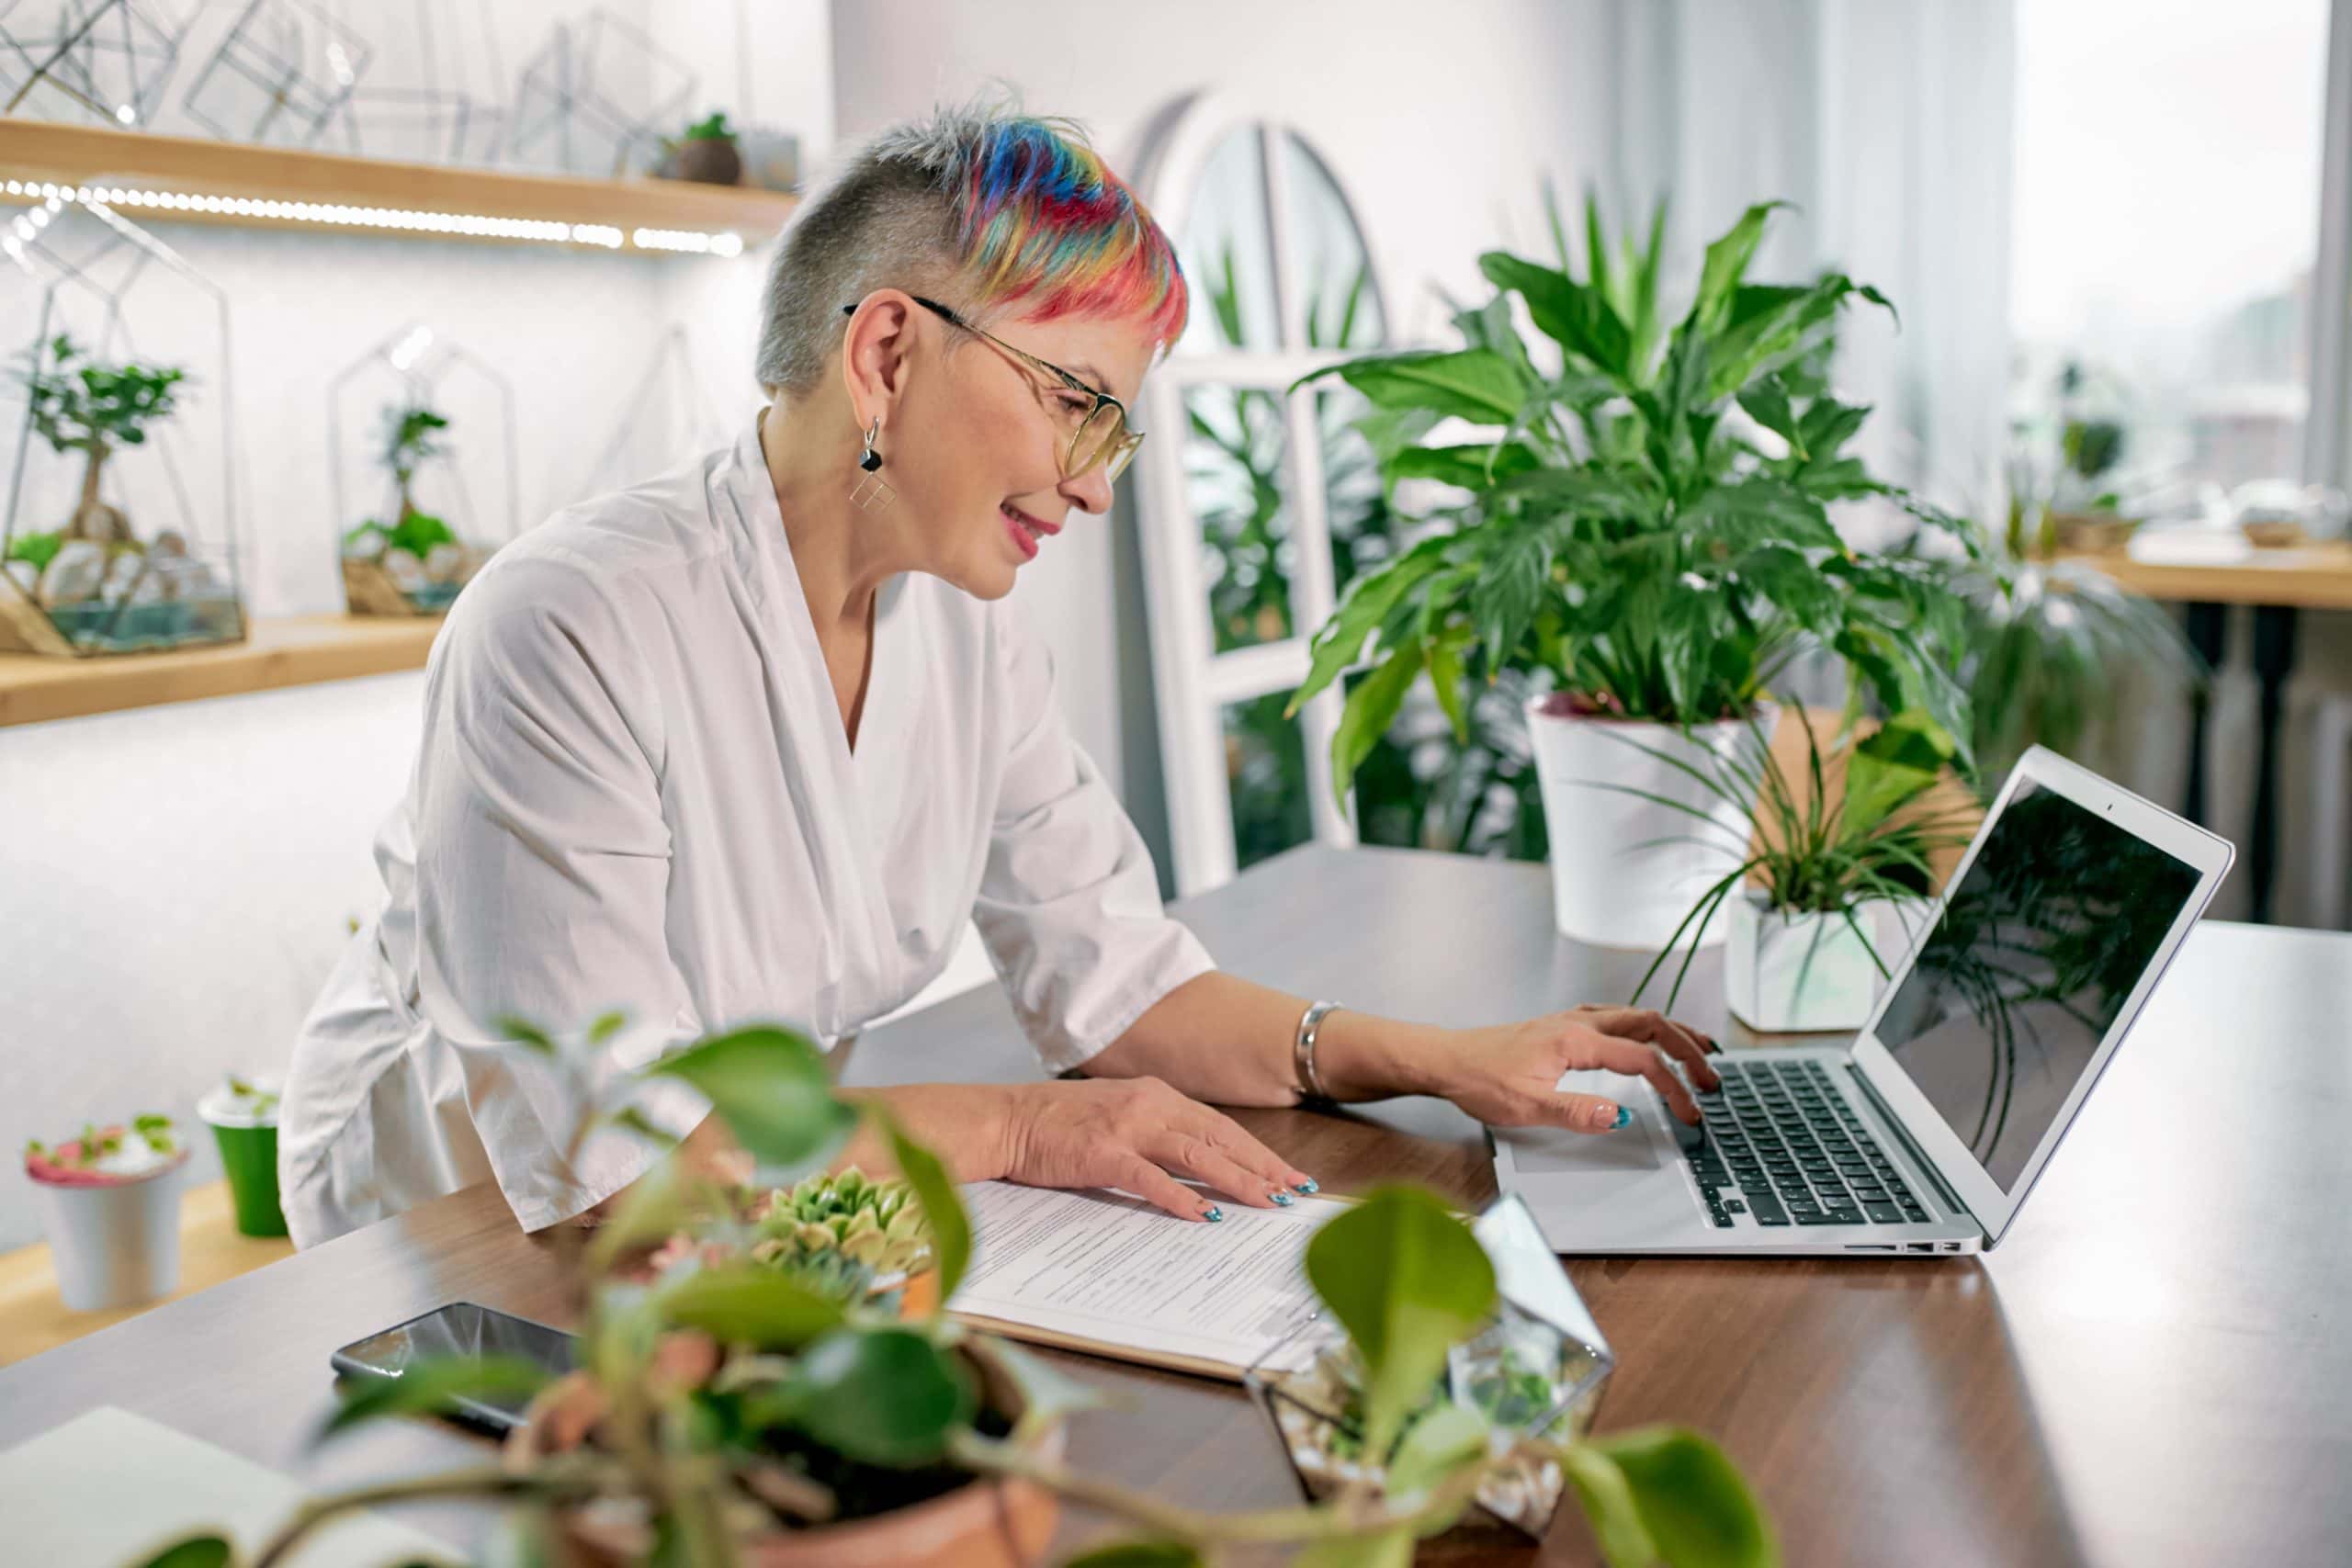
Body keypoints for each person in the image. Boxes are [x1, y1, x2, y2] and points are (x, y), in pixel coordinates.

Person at [277, 99, 1717, 1249]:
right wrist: (1026, 1130)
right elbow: (622, 1157)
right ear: (890, 353)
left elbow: (1126, 994)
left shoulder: (964, 630)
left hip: (750, 1220)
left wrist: (1449, 1060)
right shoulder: (569, 623)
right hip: (450, 1242)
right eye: (1080, 405)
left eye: (1117, 433)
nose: (1095, 493)